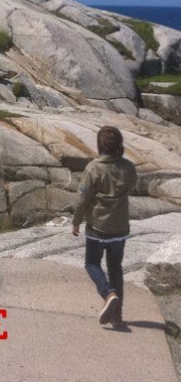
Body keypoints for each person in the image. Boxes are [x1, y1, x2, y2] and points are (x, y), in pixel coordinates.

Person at [72, 125, 137, 326]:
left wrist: (76, 222)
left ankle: (108, 294)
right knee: (115, 268)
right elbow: (132, 185)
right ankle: (117, 317)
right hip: (120, 228)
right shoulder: (128, 167)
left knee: (91, 264)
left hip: (97, 227)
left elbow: (82, 199)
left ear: (100, 145)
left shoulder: (93, 168)